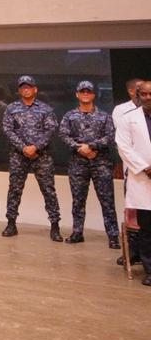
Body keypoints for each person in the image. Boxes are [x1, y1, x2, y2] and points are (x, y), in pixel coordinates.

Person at [1, 75, 62, 241]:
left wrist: (35, 147)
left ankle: (55, 226)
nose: (26, 89)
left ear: (35, 89)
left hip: (41, 155)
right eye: (22, 87)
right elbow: (7, 130)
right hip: (18, 155)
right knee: (14, 190)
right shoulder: (11, 108)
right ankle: (11, 223)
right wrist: (23, 148)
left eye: (29, 86)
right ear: (19, 90)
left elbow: (51, 130)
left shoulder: (45, 109)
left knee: (48, 190)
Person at [59, 80, 119, 248]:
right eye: (82, 91)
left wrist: (91, 146)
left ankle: (113, 236)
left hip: (101, 163)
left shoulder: (105, 116)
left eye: (89, 91)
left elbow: (110, 136)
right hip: (78, 163)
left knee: (107, 201)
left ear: (94, 95)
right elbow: (63, 134)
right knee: (78, 200)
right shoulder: (70, 116)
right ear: (77, 94)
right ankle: (77, 233)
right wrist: (79, 148)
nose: (85, 94)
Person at [113, 81, 151, 286]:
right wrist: (145, 167)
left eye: (150, 94)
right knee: (147, 229)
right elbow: (123, 147)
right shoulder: (129, 119)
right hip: (143, 178)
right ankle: (150, 270)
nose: (147, 97)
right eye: (143, 94)